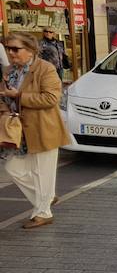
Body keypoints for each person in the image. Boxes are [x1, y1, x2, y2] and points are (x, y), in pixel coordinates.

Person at [0, 32, 71, 229]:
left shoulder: (45, 69)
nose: (11, 53)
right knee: (13, 168)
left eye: (16, 49)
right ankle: (46, 197)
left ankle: (43, 213)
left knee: (43, 173)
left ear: (30, 50)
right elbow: (3, 96)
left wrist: (19, 96)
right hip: (19, 131)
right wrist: (5, 108)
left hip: (43, 129)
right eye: (8, 48)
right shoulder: (9, 70)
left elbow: (51, 98)